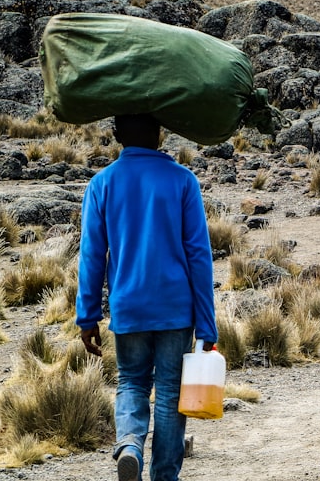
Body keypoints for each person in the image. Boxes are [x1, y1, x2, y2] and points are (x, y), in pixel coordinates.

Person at [77, 114, 218, 481]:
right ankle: (165, 476)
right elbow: (199, 256)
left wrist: (87, 316)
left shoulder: (101, 183)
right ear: (159, 134)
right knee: (170, 393)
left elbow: (92, 255)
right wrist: (207, 324)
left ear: (117, 135)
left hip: (129, 308)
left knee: (131, 383)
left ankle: (129, 445)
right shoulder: (182, 180)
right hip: (176, 309)